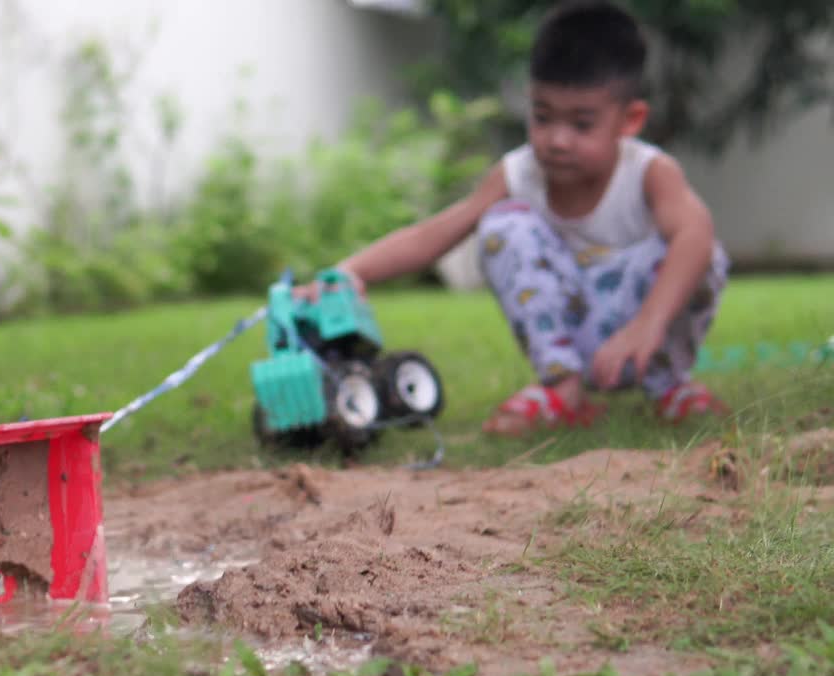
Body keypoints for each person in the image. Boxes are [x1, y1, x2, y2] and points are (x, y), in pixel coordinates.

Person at [301, 0, 731, 436]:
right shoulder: (519, 174)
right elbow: (432, 235)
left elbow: (696, 235)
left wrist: (647, 325)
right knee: (501, 225)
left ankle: (668, 387)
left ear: (630, 119)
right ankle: (563, 390)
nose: (557, 140)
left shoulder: (650, 173)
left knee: (699, 248)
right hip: (568, 333)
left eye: (582, 124)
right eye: (543, 116)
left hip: (645, 332)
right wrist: (349, 270)